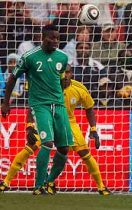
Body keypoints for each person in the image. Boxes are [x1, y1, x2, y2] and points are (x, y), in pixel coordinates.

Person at [0, 69, 111, 195]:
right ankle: (6, 182)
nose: (65, 75)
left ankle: (101, 186)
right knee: (30, 146)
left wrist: (93, 129)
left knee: (84, 152)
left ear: (71, 74)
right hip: (46, 118)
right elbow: (32, 105)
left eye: (68, 72)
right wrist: (29, 125)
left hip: (68, 121)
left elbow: (89, 108)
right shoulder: (47, 86)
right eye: (62, 73)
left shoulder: (79, 88)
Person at [1, 24, 73, 195]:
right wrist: (6, 102)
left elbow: (62, 77)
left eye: (58, 38)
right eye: (52, 38)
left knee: (64, 149)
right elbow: (12, 78)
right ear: (43, 37)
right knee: (47, 143)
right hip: (39, 105)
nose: (55, 41)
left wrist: (65, 82)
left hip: (59, 106)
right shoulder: (29, 57)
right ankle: (38, 185)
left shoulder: (62, 58)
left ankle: (48, 182)